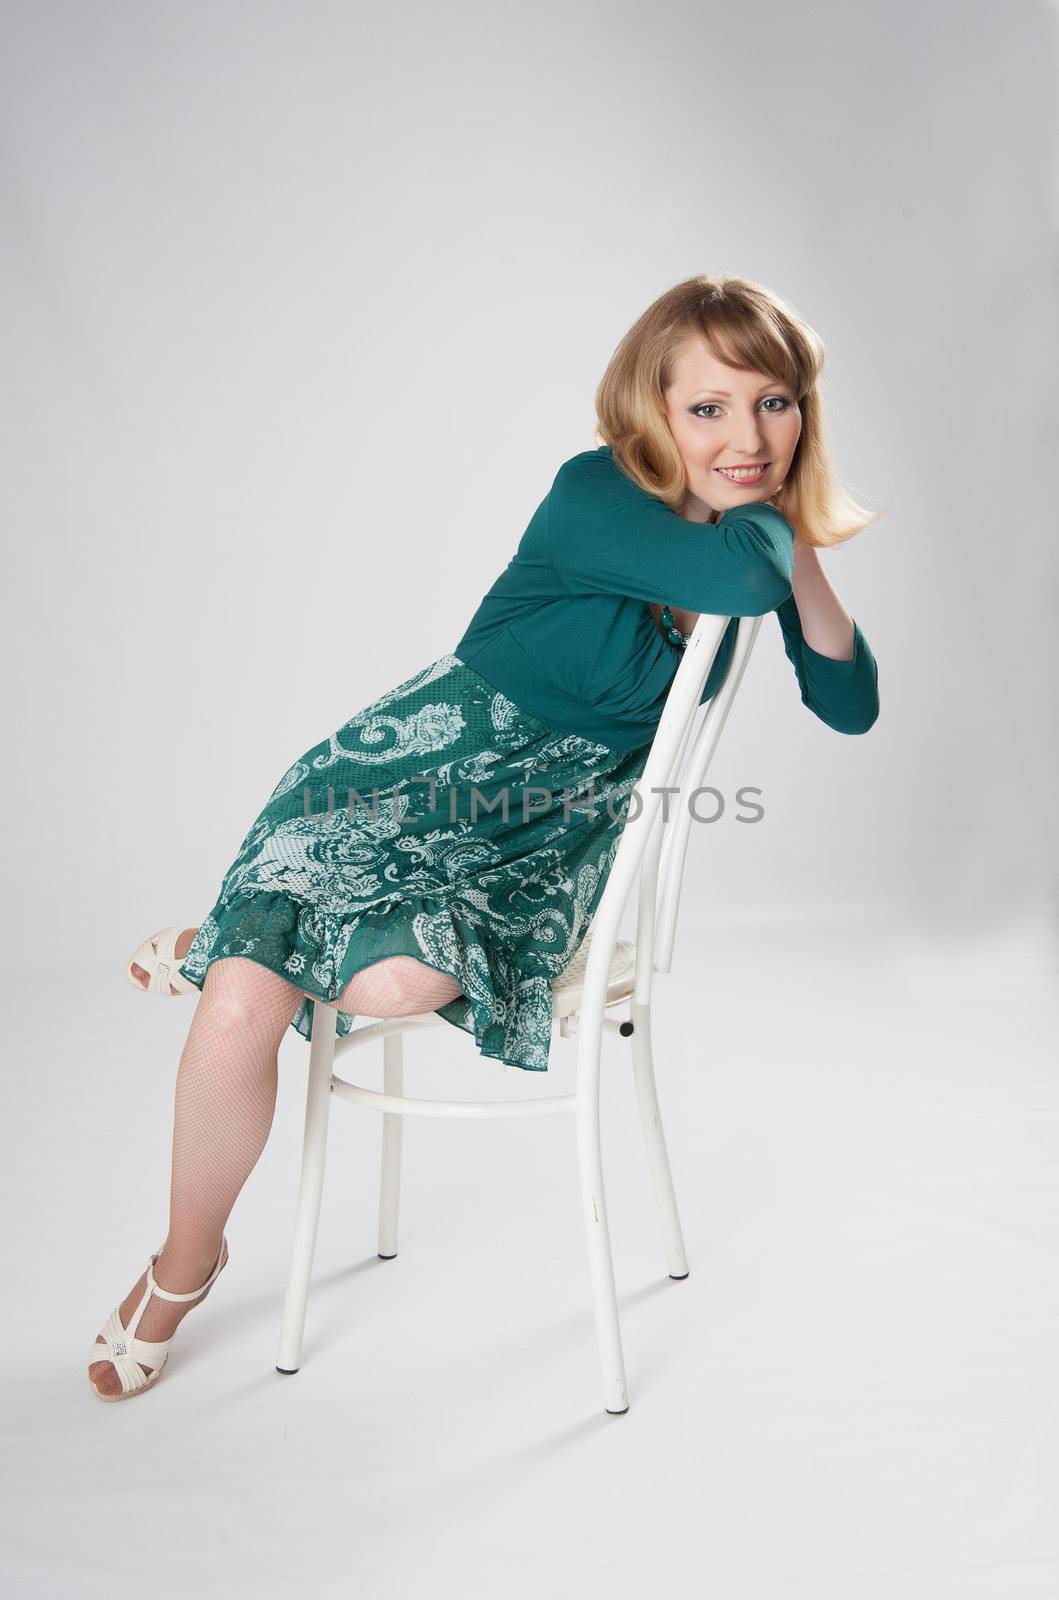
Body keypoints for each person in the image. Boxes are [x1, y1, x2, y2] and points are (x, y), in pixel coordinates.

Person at [90, 274, 881, 1400]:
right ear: (652, 407)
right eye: (708, 408)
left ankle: (229, 938)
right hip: (394, 784)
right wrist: (777, 519)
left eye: (775, 404)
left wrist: (793, 537)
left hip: (543, 841)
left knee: (402, 987)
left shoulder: (752, 545)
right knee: (243, 1007)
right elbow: (732, 574)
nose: (746, 437)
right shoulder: (593, 494)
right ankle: (185, 1262)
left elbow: (850, 704)